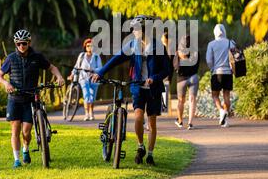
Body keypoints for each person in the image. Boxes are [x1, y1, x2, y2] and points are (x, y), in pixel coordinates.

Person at [92, 15, 169, 166]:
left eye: (136, 29)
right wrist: (101, 72)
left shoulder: (158, 47)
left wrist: (154, 78)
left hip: (153, 89)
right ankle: (141, 146)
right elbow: (117, 58)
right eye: (133, 29)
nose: (134, 31)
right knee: (138, 117)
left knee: (152, 123)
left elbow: (167, 70)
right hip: (137, 87)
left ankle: (151, 155)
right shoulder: (132, 45)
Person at [0, 29, 65, 169]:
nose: (22, 46)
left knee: (26, 132)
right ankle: (16, 160)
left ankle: (25, 149)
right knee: (15, 130)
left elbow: (52, 67)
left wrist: (59, 77)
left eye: (24, 43)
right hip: (14, 99)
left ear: (29, 43)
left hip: (30, 99)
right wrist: (6, 83)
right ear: (16, 44)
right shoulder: (10, 58)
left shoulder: (37, 57)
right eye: (19, 43)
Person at [206, 24, 236, 128]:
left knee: (215, 95)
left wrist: (212, 68)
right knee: (226, 95)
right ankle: (225, 120)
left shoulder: (211, 44)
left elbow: (209, 60)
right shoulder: (230, 43)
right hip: (228, 73)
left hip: (217, 72)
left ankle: (221, 111)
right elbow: (235, 57)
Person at [68, 38, 102, 121]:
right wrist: (72, 74)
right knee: (86, 96)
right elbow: (77, 66)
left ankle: (91, 113)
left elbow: (100, 68)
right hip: (83, 78)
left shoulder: (97, 56)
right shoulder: (82, 56)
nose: (90, 47)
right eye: (88, 46)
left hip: (94, 78)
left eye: (91, 46)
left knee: (92, 97)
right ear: (85, 47)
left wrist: (94, 71)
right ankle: (87, 114)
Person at [174, 35, 200, 130]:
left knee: (181, 101)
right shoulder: (195, 51)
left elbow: (175, 66)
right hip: (193, 77)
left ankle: (180, 121)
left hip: (181, 79)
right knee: (192, 99)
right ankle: (190, 123)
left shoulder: (179, 52)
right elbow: (197, 65)